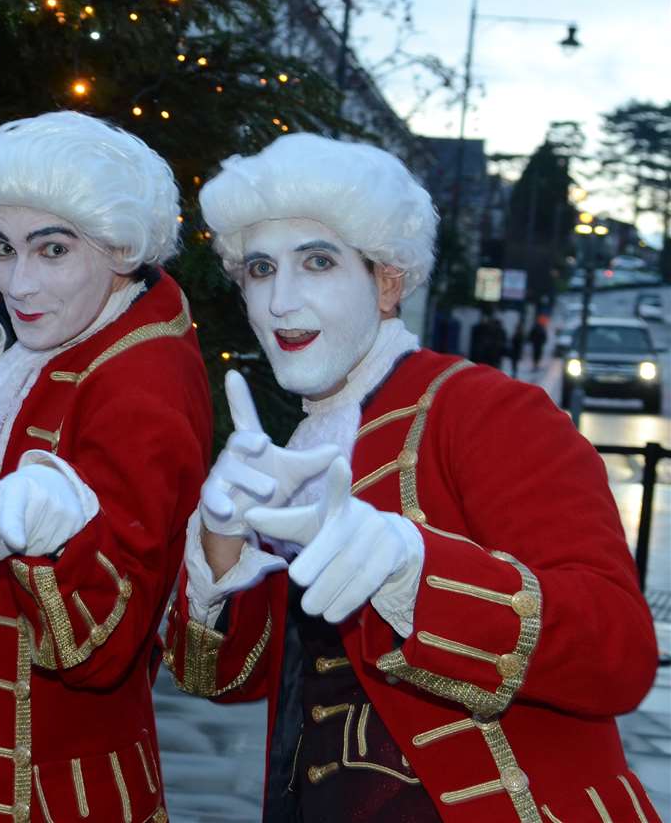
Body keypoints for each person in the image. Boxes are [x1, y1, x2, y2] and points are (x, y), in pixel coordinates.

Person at [165, 133, 660, 822]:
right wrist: (220, 541)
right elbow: (218, 682)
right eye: (258, 268)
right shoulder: (290, 451)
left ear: (387, 281)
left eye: (316, 262)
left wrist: (414, 571)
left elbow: (618, 654)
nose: (279, 301)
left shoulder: (485, 410)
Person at [0, 111, 210, 823]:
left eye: (51, 251)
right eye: (4, 250)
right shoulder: (52, 347)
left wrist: (58, 540)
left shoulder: (143, 381)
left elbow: (96, 645)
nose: (17, 284)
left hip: (42, 789)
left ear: (120, 248)